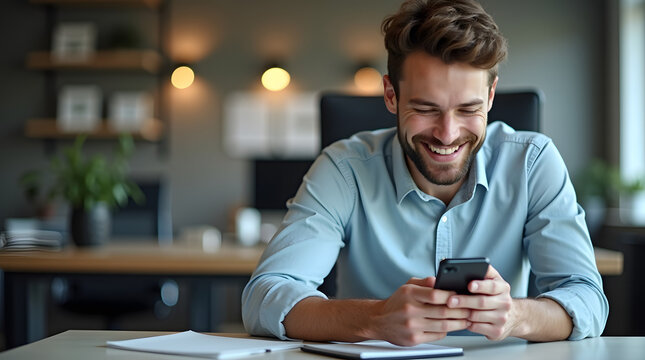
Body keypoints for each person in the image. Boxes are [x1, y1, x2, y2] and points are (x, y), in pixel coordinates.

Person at [242, 0, 608, 346]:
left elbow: (588, 299)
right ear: (391, 95)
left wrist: (515, 316)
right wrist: (375, 318)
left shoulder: (533, 163)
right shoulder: (344, 168)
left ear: (491, 96)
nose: (447, 134)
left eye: (468, 109)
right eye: (425, 108)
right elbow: (264, 297)